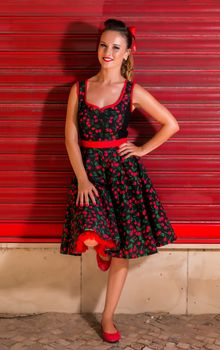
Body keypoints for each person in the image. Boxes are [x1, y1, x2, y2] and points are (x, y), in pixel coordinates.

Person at [60, 18, 180, 343]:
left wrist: (141, 149)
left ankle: (108, 317)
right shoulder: (80, 88)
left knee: (123, 250)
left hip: (123, 176)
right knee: (88, 233)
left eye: (116, 47)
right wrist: (82, 180)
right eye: (103, 45)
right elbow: (71, 138)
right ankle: (102, 246)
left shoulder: (132, 92)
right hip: (91, 175)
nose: (108, 52)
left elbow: (171, 124)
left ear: (127, 53)